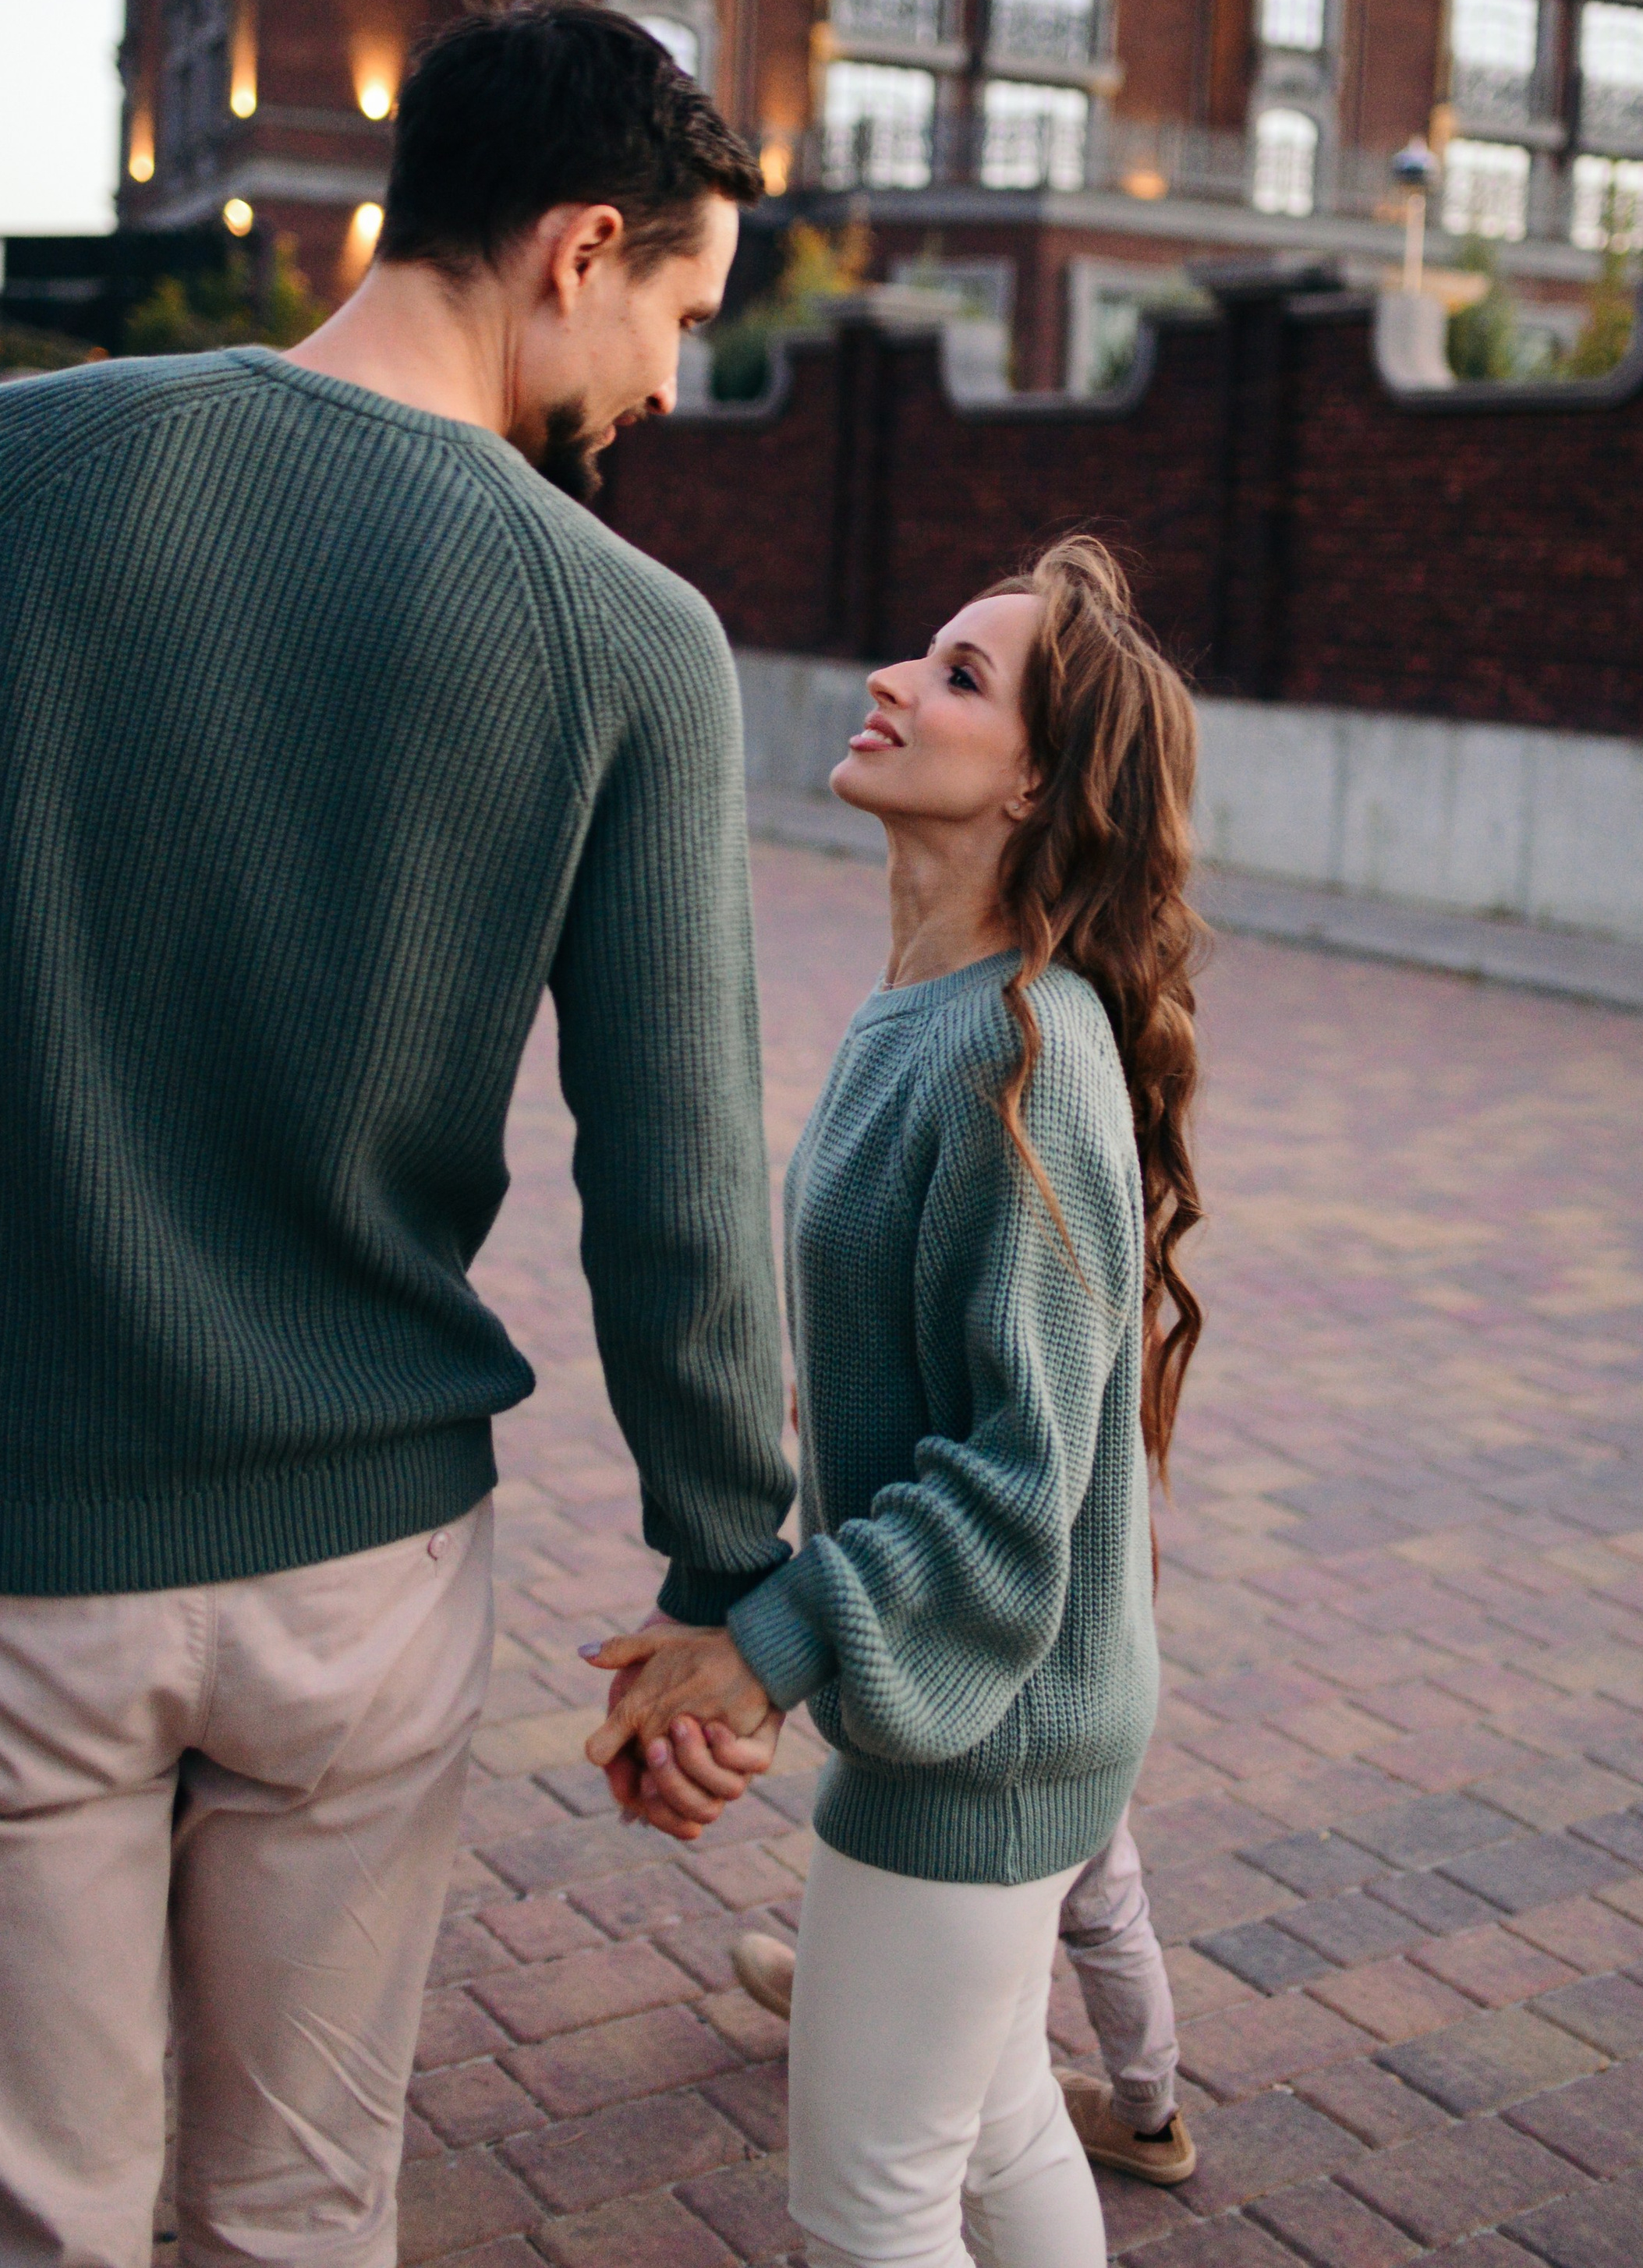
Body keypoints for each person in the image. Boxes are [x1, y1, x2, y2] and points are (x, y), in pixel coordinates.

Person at [0, 0, 795, 2266]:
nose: (668, 390)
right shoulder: (631, 638)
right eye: (678, 315)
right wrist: (724, 1574)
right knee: (302, 2207)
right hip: (358, 1576)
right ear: (574, 247)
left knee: (20, 2215)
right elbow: (679, 1181)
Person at [590, 536, 1206, 2268]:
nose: (887, 678)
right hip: (997, 1723)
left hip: (991, 1744)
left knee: (867, 2207)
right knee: (1001, 2128)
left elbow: (1012, 1482)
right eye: (920, 649)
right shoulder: (927, 1018)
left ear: (1033, 784)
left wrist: (766, 1645)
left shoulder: (1022, 1058)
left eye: (955, 674)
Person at [728, 1799, 1195, 2187]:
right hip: (1100, 1725)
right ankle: (1148, 2115)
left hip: (989, 1738)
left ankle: (842, 2004)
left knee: (907, 1855)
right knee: (1108, 1911)